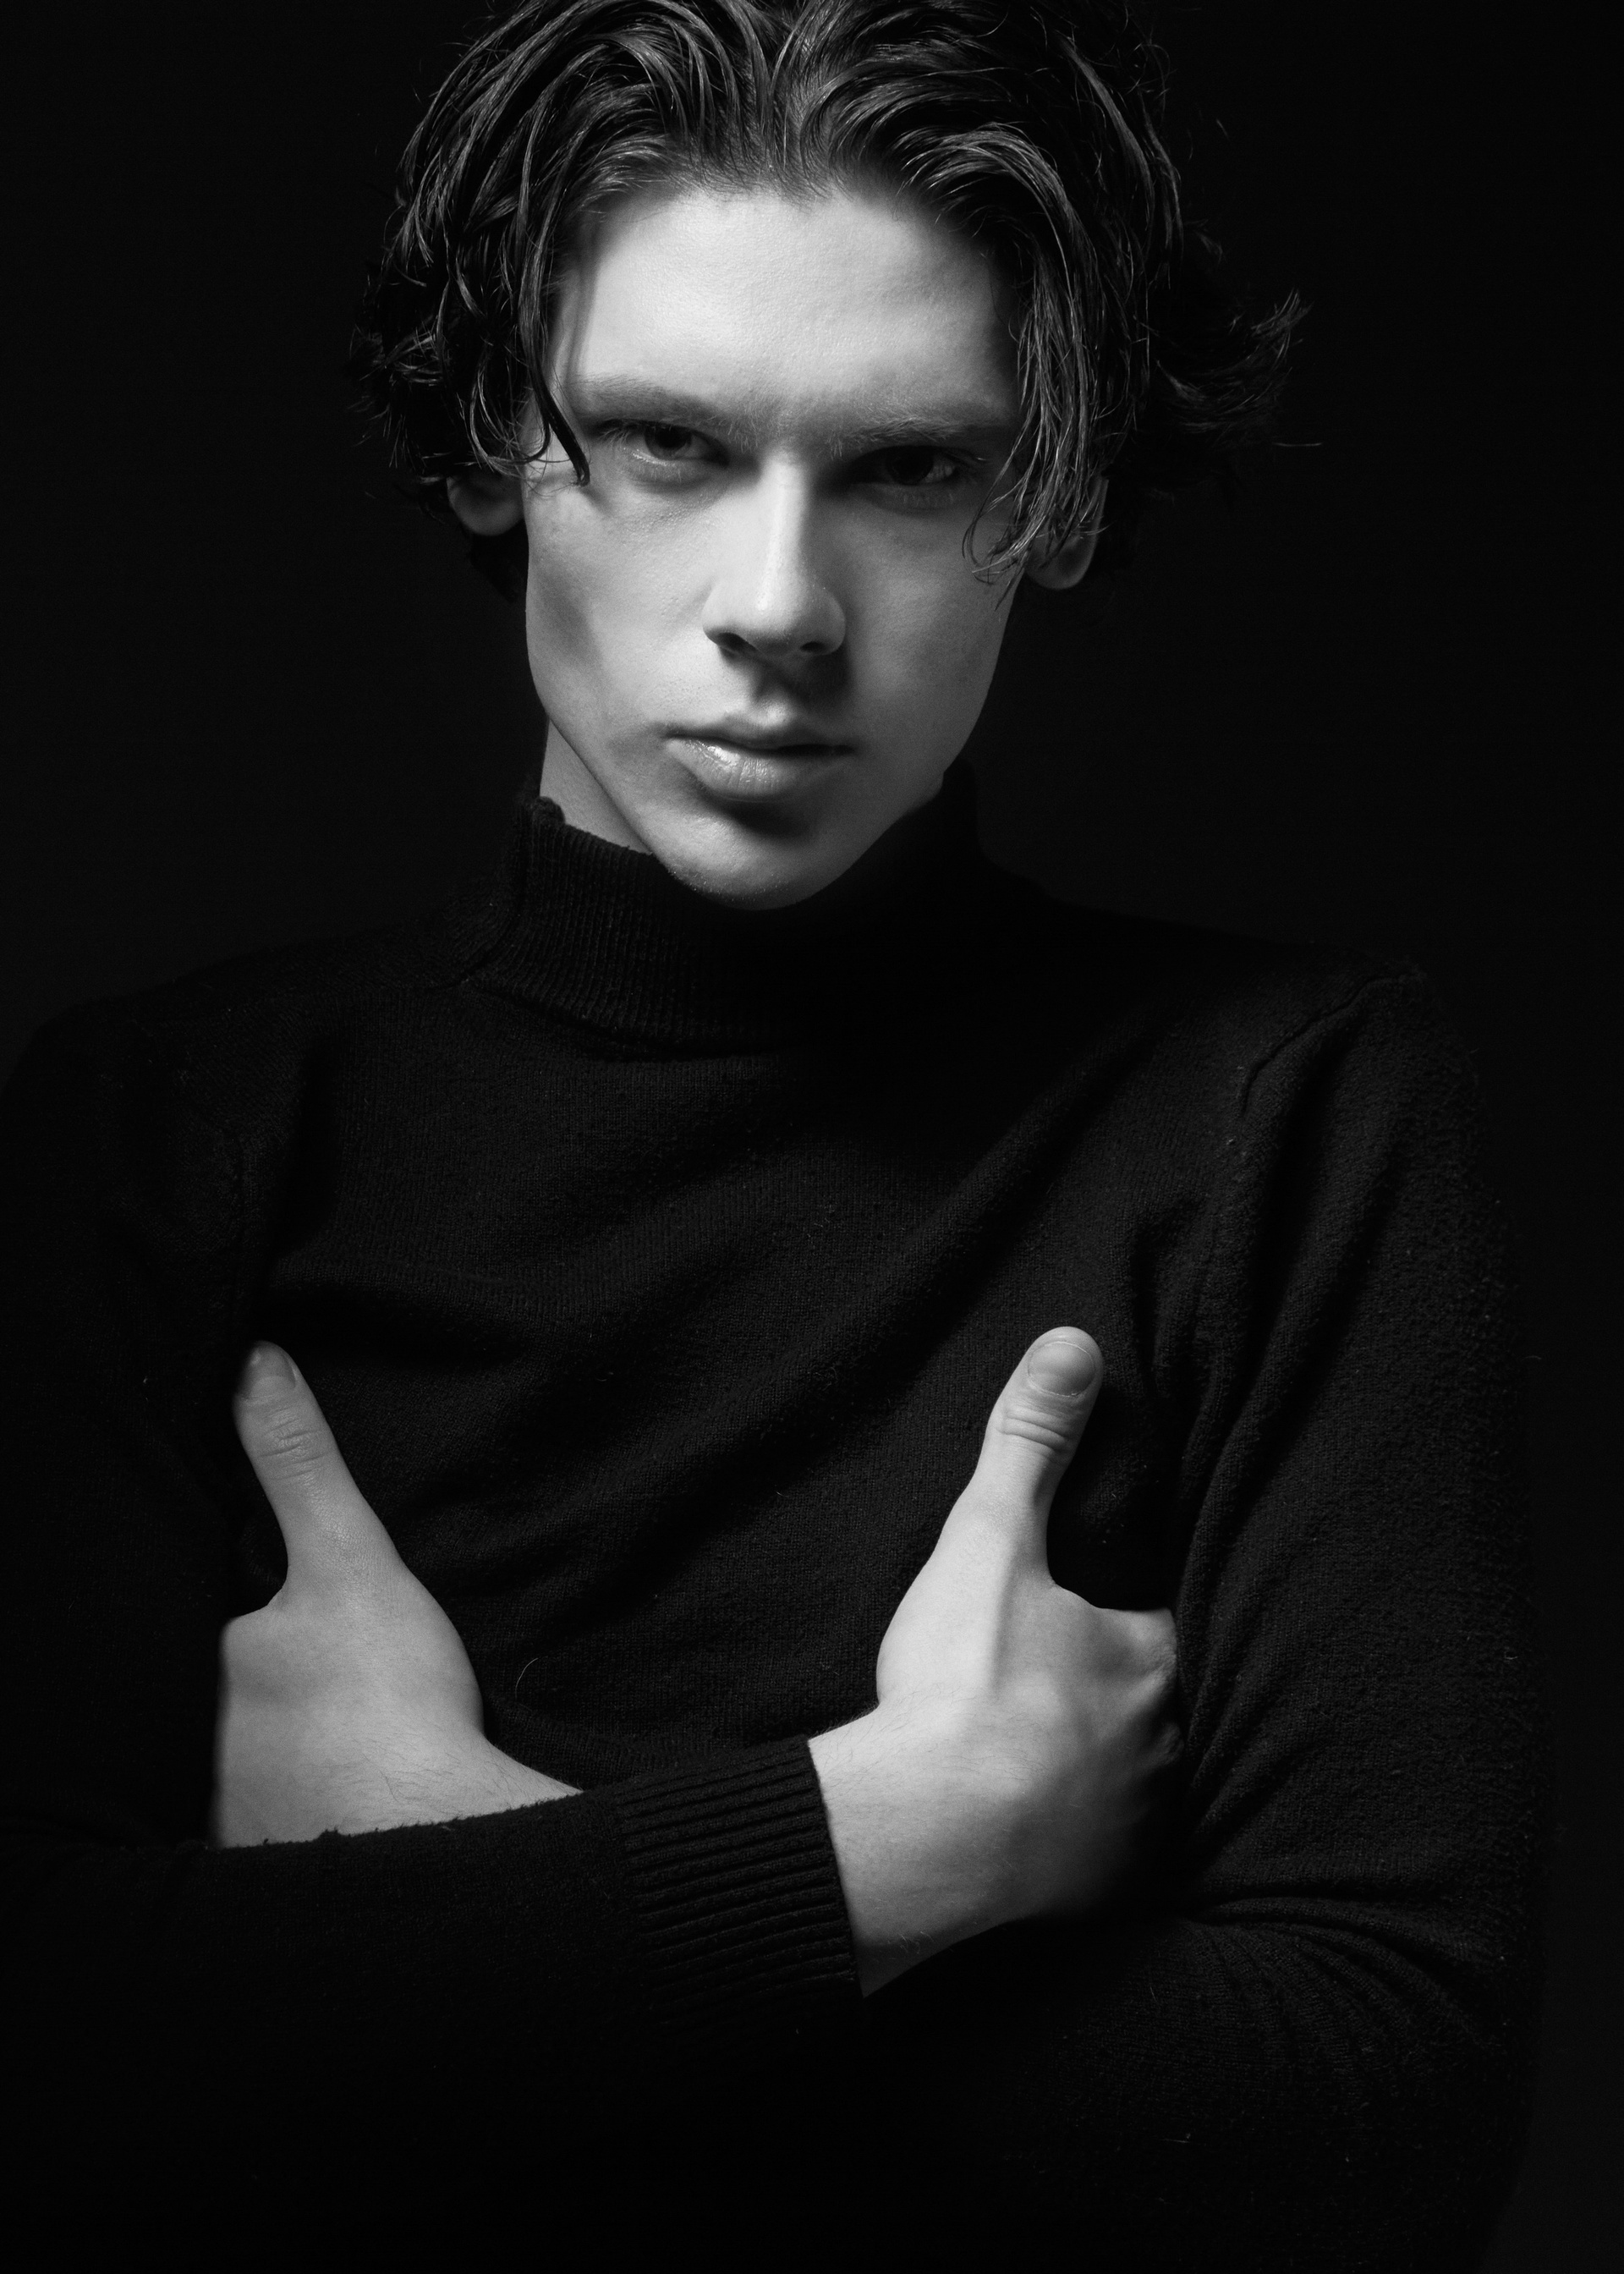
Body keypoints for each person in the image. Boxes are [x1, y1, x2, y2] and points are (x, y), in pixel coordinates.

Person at [1, 3, 1544, 2262]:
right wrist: (892, 1843)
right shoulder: (157, 1129)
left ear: (1054, 503)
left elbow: (1383, 2119)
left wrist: (445, 1901)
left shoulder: (1285, 1108)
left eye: (912, 468)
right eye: (666, 444)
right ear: (490, 449)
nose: (776, 608)